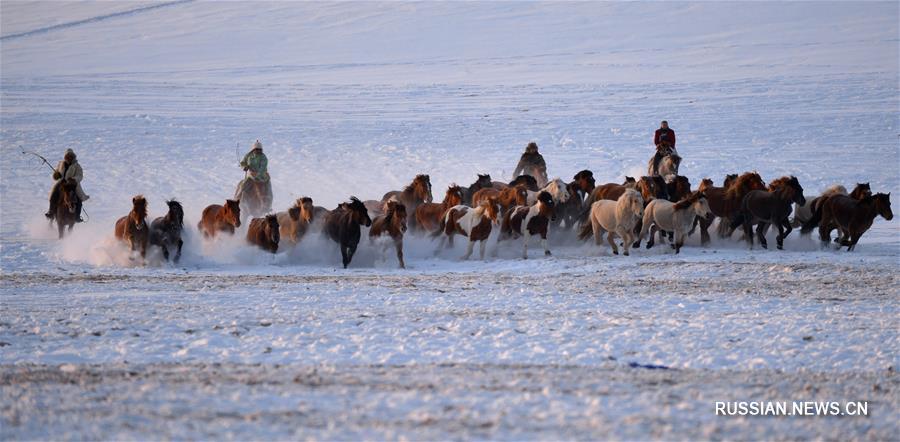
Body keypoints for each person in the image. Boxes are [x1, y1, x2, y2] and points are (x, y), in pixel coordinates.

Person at [46, 149, 89, 222]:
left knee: (78, 199)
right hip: (62, 183)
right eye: (67, 157)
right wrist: (57, 175)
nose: (69, 158)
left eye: (71, 156)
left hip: (72, 185)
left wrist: (73, 179)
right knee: (54, 194)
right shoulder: (61, 164)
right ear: (65, 157)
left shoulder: (77, 166)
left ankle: (77, 216)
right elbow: (57, 171)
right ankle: (51, 211)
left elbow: (80, 175)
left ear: (73, 157)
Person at [234, 140, 273, 214]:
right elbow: (243, 162)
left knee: (269, 191)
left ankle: (268, 206)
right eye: (256, 149)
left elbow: (262, 169)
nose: (258, 151)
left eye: (259, 149)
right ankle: (236, 200)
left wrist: (257, 175)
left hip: (263, 178)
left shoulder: (264, 158)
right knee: (242, 186)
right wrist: (244, 167)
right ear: (253, 149)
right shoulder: (248, 155)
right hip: (251, 177)